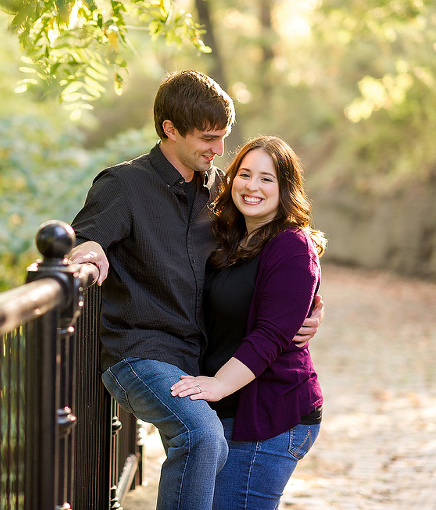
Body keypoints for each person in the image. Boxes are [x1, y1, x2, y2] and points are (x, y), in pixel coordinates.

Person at [68, 71, 324, 509]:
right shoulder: (124, 185)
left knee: (208, 450)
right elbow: (80, 239)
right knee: (202, 437)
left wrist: (310, 304)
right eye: (208, 137)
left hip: (199, 366)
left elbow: (279, 255)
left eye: (224, 137)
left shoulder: (220, 192)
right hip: (141, 351)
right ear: (170, 129)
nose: (219, 150)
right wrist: (89, 248)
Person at [170, 135, 326, 509]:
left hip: (269, 414)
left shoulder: (291, 245)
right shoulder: (229, 238)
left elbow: (270, 334)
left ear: (286, 188)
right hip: (229, 410)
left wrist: (219, 384)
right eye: (244, 174)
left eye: (267, 178)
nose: (252, 186)